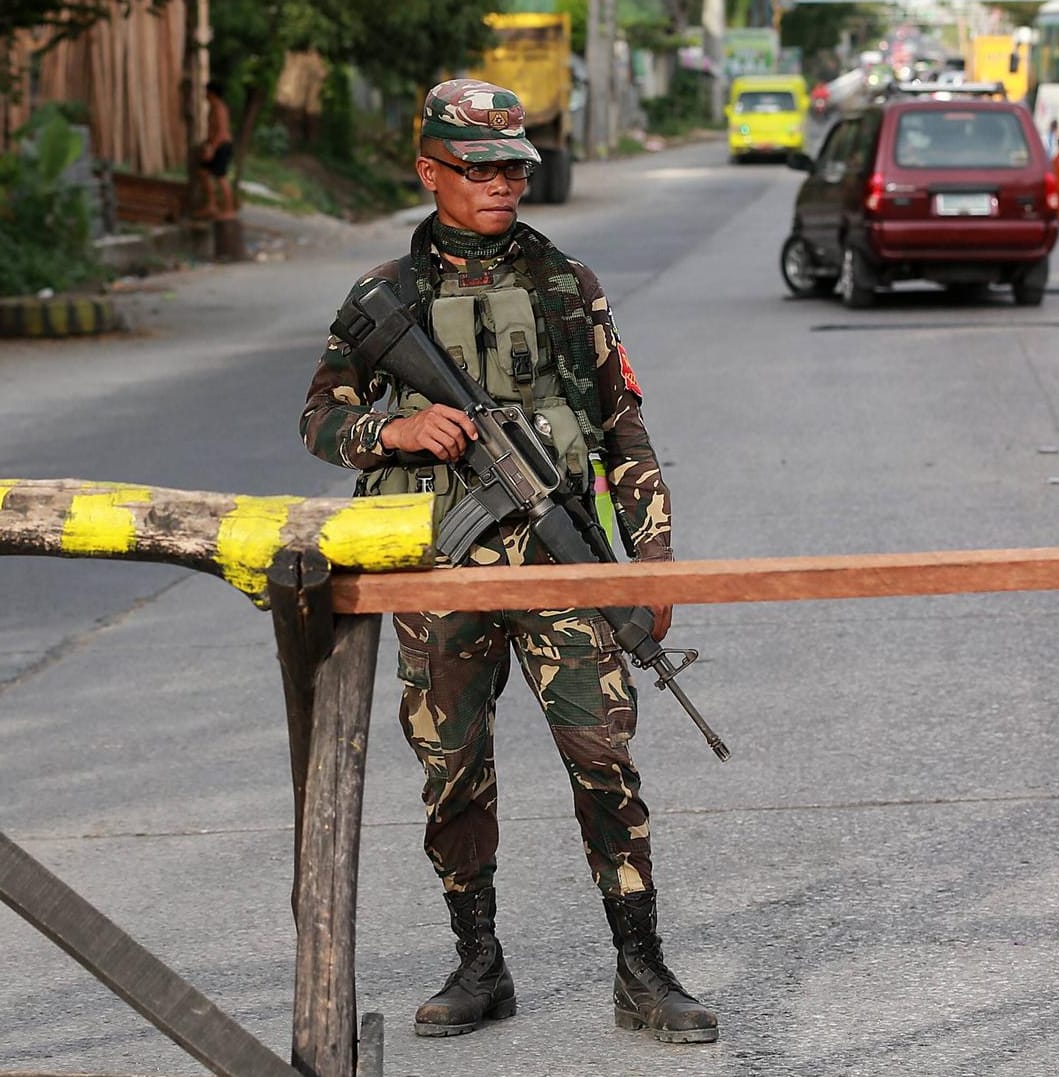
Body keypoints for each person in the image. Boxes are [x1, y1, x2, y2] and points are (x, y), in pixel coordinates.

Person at [299, 78, 717, 1044]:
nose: (501, 184)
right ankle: (479, 962)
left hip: (560, 563)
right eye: (478, 167)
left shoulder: (569, 283)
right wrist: (394, 428)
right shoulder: (384, 300)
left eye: (512, 167)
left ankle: (641, 966)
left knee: (602, 754)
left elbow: (622, 428)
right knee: (450, 768)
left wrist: (649, 558)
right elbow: (319, 420)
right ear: (429, 172)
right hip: (435, 573)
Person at [200, 80, 235, 219]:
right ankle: (211, 205)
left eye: (207, 92)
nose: (205, 94)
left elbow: (221, 131)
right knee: (203, 173)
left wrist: (212, 149)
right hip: (214, 145)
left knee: (221, 177)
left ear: (212, 93)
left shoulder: (220, 108)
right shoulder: (213, 107)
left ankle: (229, 209)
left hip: (222, 146)